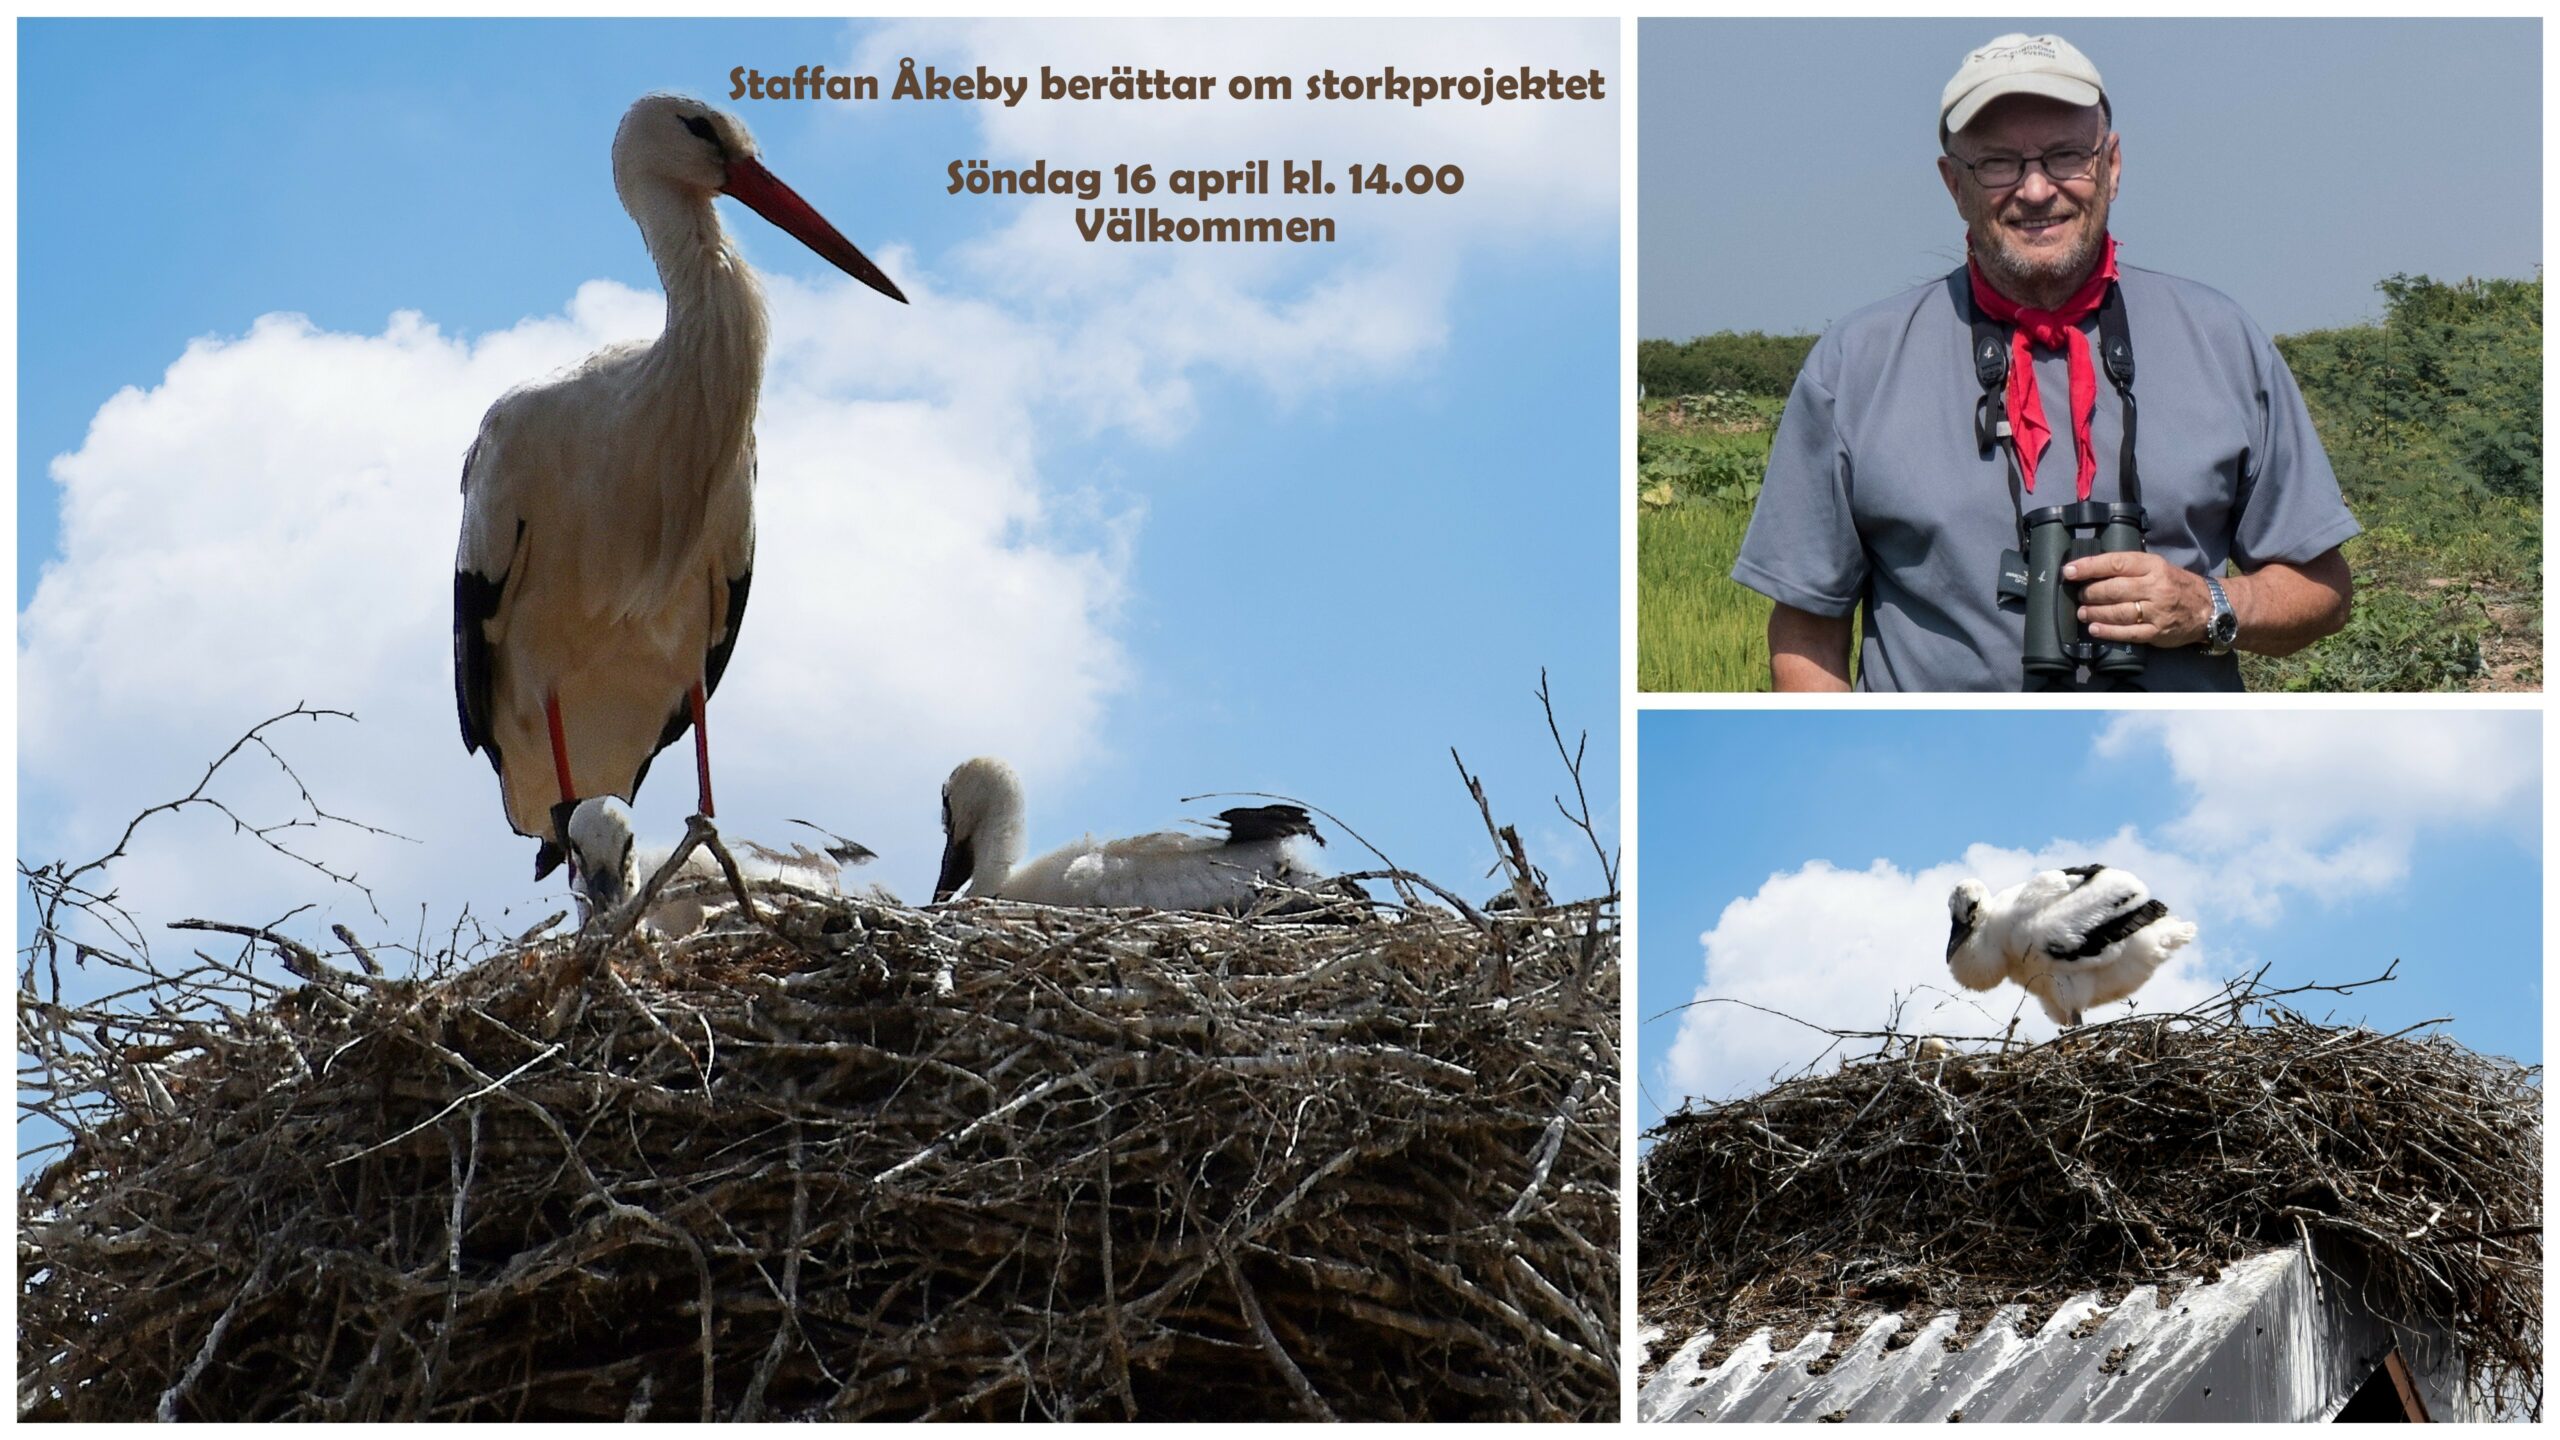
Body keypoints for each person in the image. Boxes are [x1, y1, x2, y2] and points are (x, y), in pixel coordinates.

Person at [1731, 33, 2356, 691]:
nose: (2035, 190)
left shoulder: (2222, 341)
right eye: (1998, 162)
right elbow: (1806, 627)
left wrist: (2208, 606)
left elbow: (2324, 590)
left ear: (2111, 165)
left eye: (2066, 156)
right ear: (1953, 184)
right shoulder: (1856, 365)